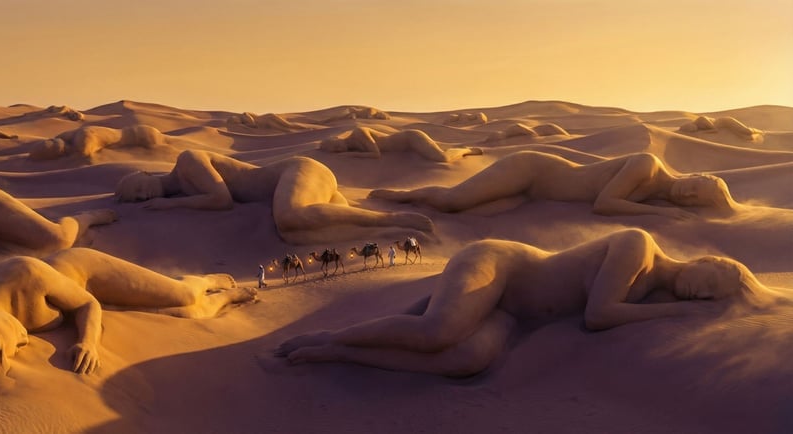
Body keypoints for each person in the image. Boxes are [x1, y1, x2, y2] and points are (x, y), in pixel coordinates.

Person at [275, 228, 772, 377]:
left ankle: (342, 352)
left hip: (515, 312)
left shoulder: (653, 291)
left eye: (712, 299)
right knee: (438, 332)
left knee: (465, 361)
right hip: (502, 265)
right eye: (713, 282)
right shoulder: (638, 246)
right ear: (709, 259)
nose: (703, 294)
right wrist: (685, 311)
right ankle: (330, 336)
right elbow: (598, 316)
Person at [0, 248, 257, 398]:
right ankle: (218, 300)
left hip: (86, 273)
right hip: (70, 292)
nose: (18, 343)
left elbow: (88, 305)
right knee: (186, 317)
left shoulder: (25, 275)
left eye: (8, 342)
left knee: (184, 299)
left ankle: (209, 283)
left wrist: (88, 343)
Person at [114, 150, 434, 244]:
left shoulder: (187, 162)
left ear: (145, 174)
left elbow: (221, 199)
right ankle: (387, 230)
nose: (141, 195)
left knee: (290, 217)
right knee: (297, 234)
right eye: (135, 198)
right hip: (294, 183)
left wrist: (170, 204)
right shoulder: (184, 186)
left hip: (296, 172)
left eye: (137, 187)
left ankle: (391, 219)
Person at [369, 151, 739, 219]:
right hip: (533, 170)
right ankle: (400, 196)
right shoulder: (648, 166)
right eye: (696, 184)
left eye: (695, 199)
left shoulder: (658, 195)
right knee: (454, 202)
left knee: (471, 206)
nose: (687, 192)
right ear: (694, 175)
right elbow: (605, 204)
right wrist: (660, 216)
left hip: (536, 189)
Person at [319, 127, 482, 162]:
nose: (338, 150)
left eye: (335, 146)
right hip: (407, 147)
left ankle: (465, 149)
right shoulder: (354, 145)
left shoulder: (359, 133)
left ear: (337, 139)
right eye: (334, 151)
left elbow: (376, 154)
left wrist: (349, 154)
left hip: (411, 138)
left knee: (442, 158)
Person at [28, 125, 166, 161]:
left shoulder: (82, 140)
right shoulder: (67, 136)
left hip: (143, 135)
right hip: (138, 133)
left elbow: (84, 153)